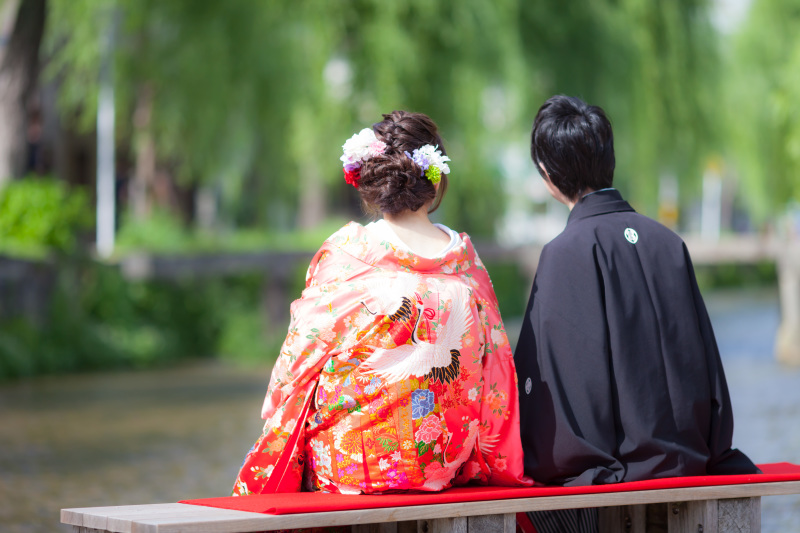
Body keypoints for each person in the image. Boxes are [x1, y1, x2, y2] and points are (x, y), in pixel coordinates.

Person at [234, 110, 528, 496]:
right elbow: (497, 367)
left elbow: (300, 355)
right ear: (436, 180)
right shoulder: (463, 260)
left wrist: (275, 408)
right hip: (442, 464)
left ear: (372, 179)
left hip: (354, 467)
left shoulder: (351, 252)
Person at [513, 95, 758, 532]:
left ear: (548, 176)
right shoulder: (668, 242)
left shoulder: (564, 253)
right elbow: (703, 361)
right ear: (609, 158)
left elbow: (556, 379)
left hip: (622, 477)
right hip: (694, 461)